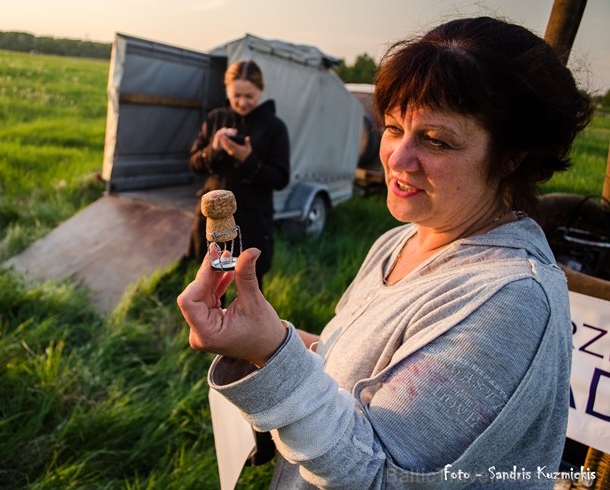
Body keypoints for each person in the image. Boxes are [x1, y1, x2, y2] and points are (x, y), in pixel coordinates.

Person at [177, 16, 594, 489]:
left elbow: (380, 477)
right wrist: (262, 340)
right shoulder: (402, 240)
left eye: (436, 140)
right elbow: (346, 366)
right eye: (394, 128)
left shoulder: (512, 302)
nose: (396, 158)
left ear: (511, 155)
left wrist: (272, 354)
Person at [186, 59, 290, 292]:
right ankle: (212, 326)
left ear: (261, 90)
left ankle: (253, 329)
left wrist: (248, 160)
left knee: (250, 286)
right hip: (213, 221)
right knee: (211, 284)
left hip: (253, 220)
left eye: (249, 96)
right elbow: (194, 164)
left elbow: (281, 178)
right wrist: (213, 149)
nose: (242, 103)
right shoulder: (215, 119)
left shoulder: (275, 127)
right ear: (226, 90)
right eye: (236, 96)